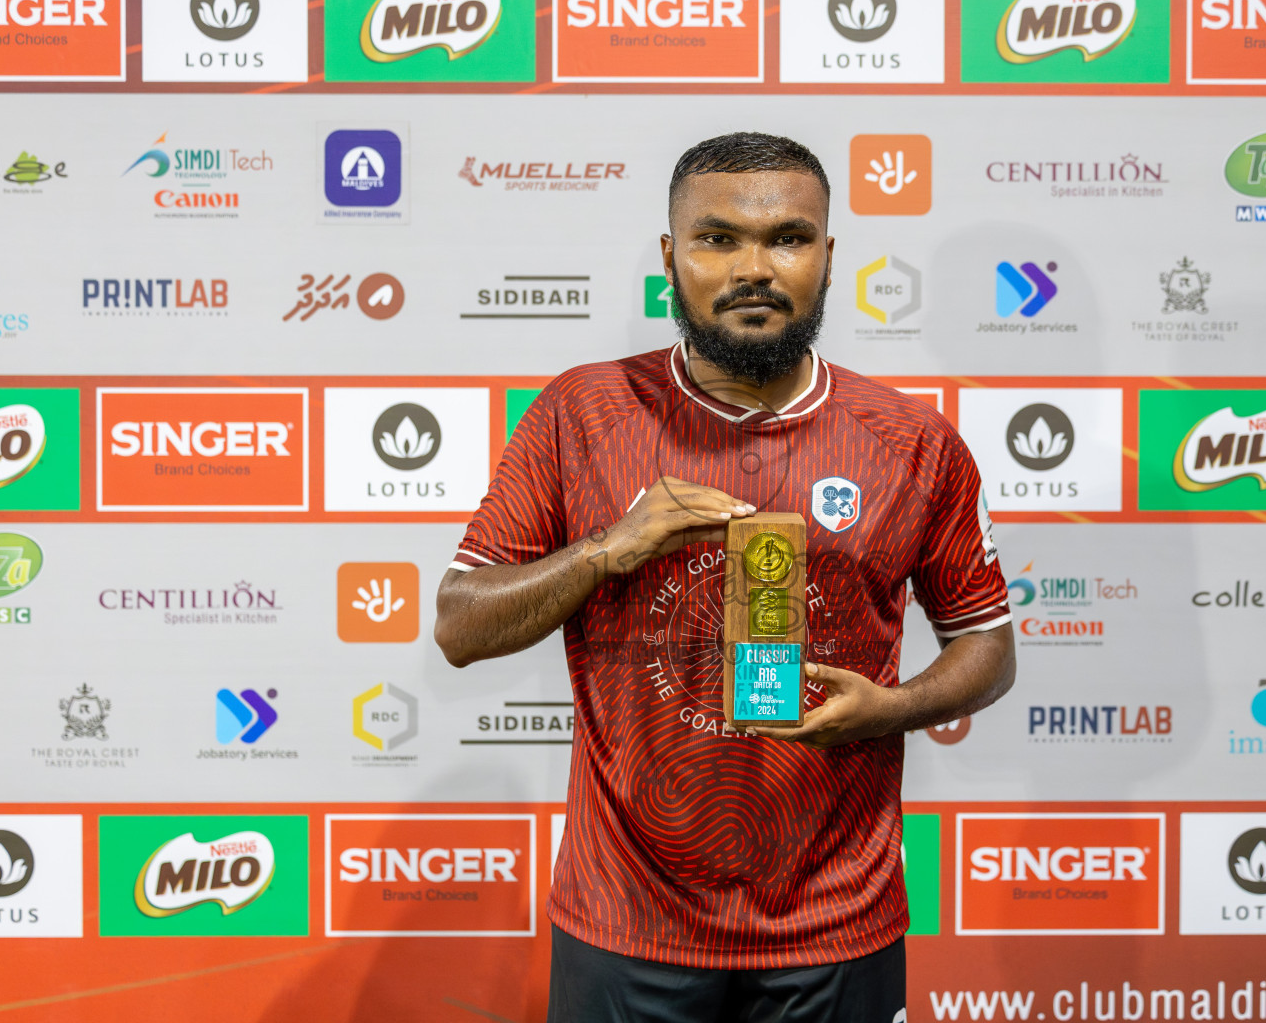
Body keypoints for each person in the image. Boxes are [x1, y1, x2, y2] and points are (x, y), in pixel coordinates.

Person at [435, 132, 1016, 1023]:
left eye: (788, 237)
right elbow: (461, 627)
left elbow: (987, 646)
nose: (755, 267)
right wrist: (608, 548)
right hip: (626, 919)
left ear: (829, 256)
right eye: (717, 239)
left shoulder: (911, 440)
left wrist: (893, 709)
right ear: (671, 257)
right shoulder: (581, 413)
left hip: (837, 923)